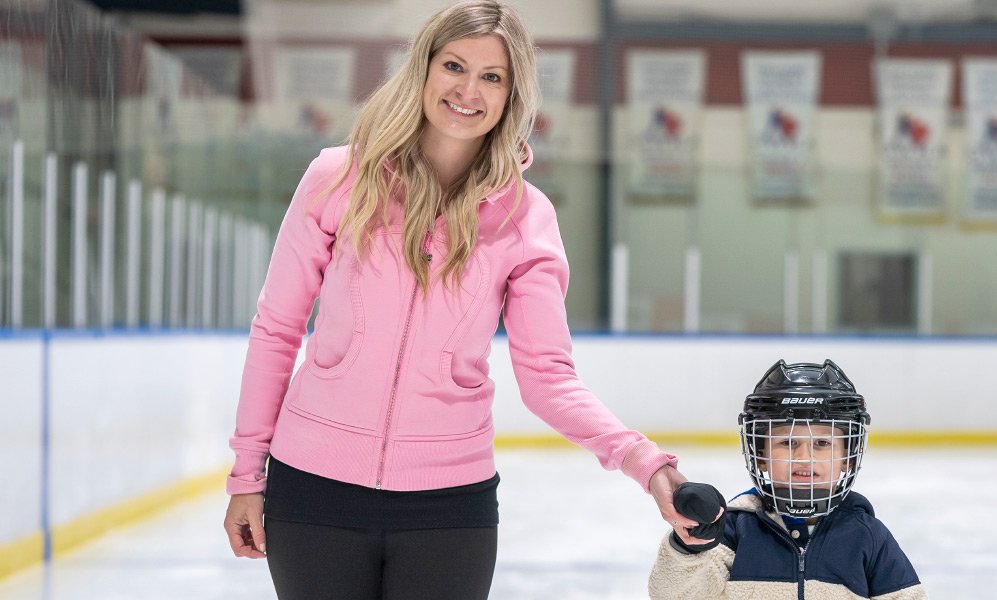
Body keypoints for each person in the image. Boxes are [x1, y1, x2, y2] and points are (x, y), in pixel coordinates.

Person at [220, 2, 700, 597]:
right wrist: (248, 472)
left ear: (511, 95)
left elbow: (548, 377)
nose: (468, 89)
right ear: (422, 69)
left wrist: (644, 461)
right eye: (453, 65)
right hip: (313, 488)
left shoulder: (526, 219)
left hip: (448, 507)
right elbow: (276, 328)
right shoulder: (338, 178)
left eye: (492, 76)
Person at [648, 359, 926, 599]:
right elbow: (674, 595)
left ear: (848, 456)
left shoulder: (867, 536)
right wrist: (691, 546)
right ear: (761, 454)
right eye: (788, 443)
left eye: (821, 444)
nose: (804, 458)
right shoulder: (735, 530)